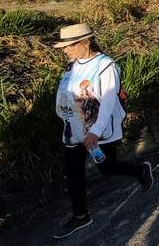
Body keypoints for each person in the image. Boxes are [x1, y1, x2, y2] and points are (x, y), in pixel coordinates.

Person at [52, 23, 153, 239]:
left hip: (98, 130)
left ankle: (140, 171)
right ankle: (81, 216)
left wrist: (95, 131)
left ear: (85, 42)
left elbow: (107, 102)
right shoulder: (72, 66)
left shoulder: (105, 66)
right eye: (64, 47)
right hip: (73, 129)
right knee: (73, 171)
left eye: (70, 45)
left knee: (106, 167)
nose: (65, 50)